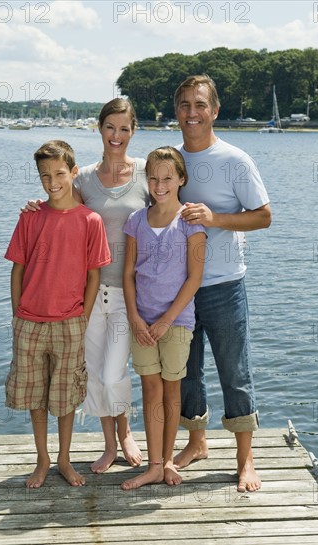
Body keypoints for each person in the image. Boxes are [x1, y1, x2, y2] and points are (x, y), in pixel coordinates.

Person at [22, 99, 149, 473]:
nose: (117, 135)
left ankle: (126, 430)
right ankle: (109, 444)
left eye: (124, 128)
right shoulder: (84, 178)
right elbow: (59, 203)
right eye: (110, 127)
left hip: (130, 293)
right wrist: (33, 206)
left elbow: (169, 211)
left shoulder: (146, 173)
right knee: (94, 373)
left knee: (114, 373)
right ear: (99, 128)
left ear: (133, 131)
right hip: (89, 295)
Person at [174, 75, 271, 492]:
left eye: (200, 105)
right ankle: (197, 443)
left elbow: (263, 215)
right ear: (176, 111)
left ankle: (245, 459)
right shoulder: (168, 161)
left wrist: (214, 219)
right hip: (179, 288)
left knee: (235, 373)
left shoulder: (235, 159)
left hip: (225, 285)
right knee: (186, 373)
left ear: (214, 110)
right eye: (184, 105)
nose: (191, 113)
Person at [5, 140, 111, 488]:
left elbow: (94, 274)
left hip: (70, 322)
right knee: (35, 397)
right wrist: (18, 314)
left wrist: (83, 316)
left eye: (59, 174)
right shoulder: (31, 216)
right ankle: (43, 459)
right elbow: (17, 269)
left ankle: (65, 459)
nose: (52, 182)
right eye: (44, 175)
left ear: (73, 173)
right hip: (30, 322)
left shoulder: (90, 220)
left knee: (65, 398)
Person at [121, 146, 206, 490]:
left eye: (167, 178)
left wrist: (166, 321)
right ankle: (154, 465)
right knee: (150, 390)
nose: (159, 184)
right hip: (141, 322)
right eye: (153, 178)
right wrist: (137, 319)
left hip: (176, 323)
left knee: (172, 392)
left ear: (181, 180)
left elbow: (194, 278)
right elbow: (128, 275)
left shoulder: (190, 222)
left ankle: (168, 460)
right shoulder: (136, 221)